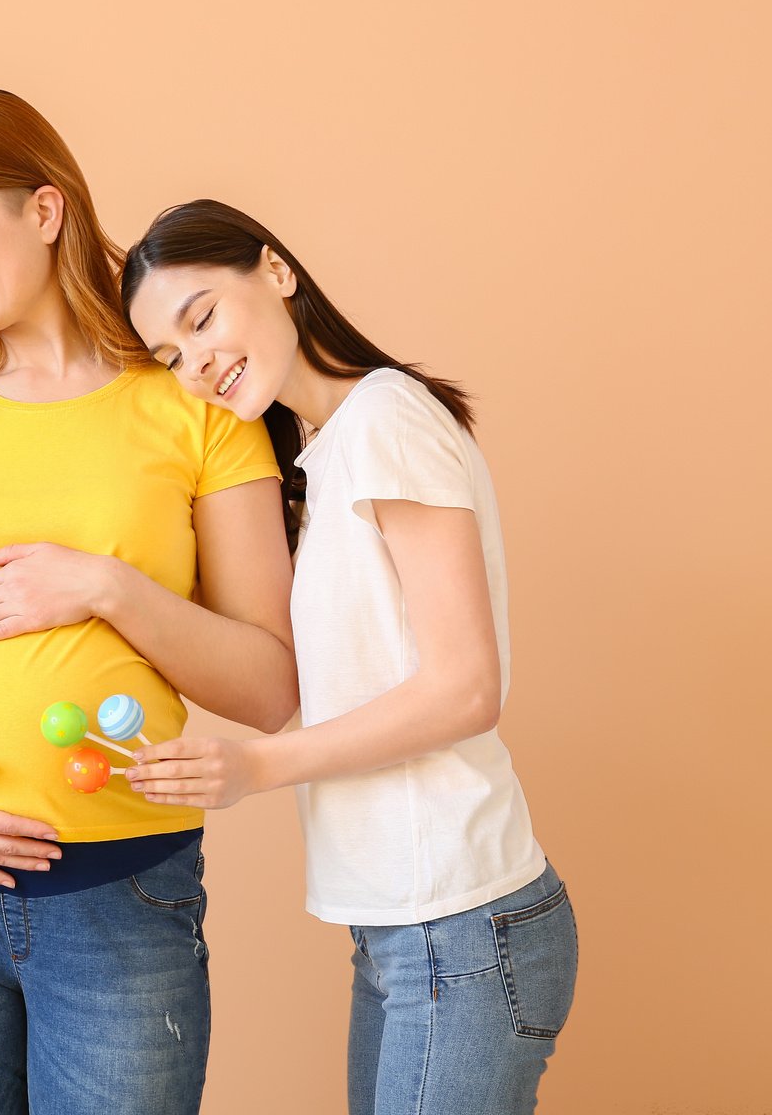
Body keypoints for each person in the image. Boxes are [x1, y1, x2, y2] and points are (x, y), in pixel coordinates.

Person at [0, 89, 299, 1114]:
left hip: (119, 893)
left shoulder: (193, 403)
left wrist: (104, 586)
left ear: (44, 208)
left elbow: (268, 687)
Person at [120, 198, 579, 1115]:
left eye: (201, 317)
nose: (198, 364)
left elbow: (466, 689)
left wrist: (256, 765)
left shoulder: (386, 421)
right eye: (171, 357)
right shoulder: (324, 456)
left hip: (462, 925)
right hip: (409, 931)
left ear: (277, 272)